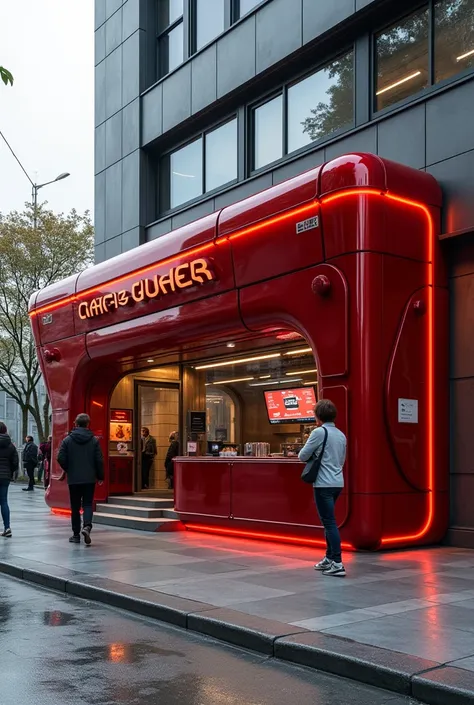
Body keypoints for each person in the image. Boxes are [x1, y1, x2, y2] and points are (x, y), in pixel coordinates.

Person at [299, 399, 347, 577]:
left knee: (329, 522)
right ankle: (329, 558)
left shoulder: (319, 432)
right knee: (329, 521)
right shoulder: (341, 435)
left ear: (318, 416)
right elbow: (342, 460)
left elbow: (302, 456)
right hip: (337, 483)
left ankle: (337, 562)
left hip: (323, 483)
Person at [57, 413, 104, 545]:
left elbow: (60, 458)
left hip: (74, 479)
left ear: (75, 424)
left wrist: (68, 468)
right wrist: (100, 476)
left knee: (75, 507)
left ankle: (76, 535)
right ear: (88, 424)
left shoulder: (67, 440)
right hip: (89, 478)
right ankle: (87, 527)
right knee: (88, 504)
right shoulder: (94, 440)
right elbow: (99, 460)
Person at [0, 422, 19, 538]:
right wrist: (10, 472)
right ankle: (7, 528)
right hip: (5, 477)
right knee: (3, 501)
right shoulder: (11, 445)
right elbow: (15, 462)